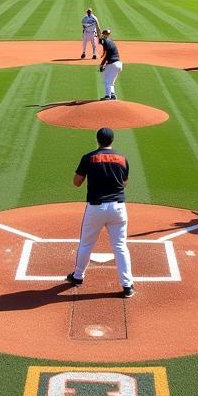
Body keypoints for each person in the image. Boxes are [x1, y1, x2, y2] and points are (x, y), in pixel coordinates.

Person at [65, 127, 134, 298]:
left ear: (98, 140)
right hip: (118, 208)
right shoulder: (122, 158)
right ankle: (127, 286)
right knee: (120, 247)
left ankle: (78, 276)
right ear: (112, 140)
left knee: (86, 243)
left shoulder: (89, 157)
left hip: (96, 208)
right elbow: (125, 183)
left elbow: (76, 182)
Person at [98, 29, 122, 100]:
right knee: (110, 82)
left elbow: (106, 56)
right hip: (118, 64)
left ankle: (107, 96)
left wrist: (102, 65)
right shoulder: (110, 41)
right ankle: (113, 95)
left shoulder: (105, 42)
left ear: (103, 34)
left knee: (107, 81)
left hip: (113, 64)